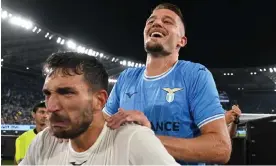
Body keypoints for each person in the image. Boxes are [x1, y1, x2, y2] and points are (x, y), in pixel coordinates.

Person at [103, 3, 232, 165]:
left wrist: (143, 140)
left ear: (181, 41)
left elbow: (220, 148)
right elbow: (100, 129)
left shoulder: (195, 75)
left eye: (168, 21)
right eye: (151, 21)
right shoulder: (126, 78)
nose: (156, 23)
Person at [19, 52, 179, 165]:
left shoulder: (133, 140)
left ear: (99, 100)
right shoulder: (44, 142)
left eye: (67, 93)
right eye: (47, 94)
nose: (51, 107)